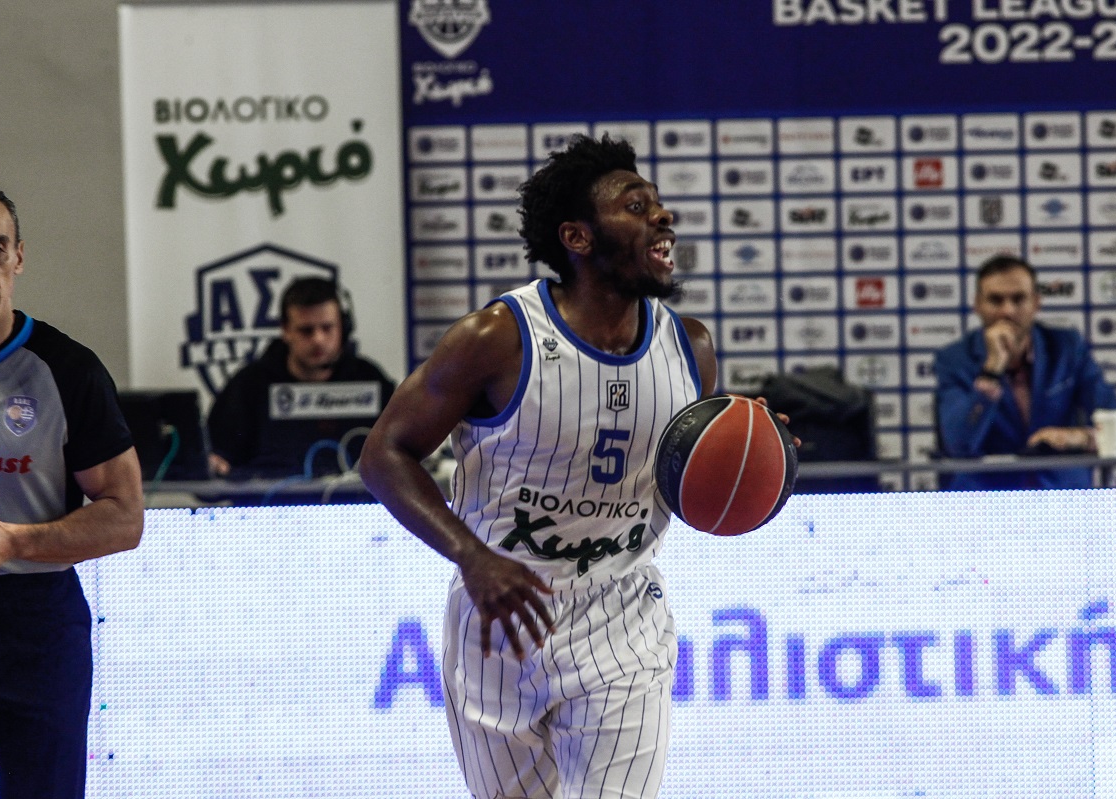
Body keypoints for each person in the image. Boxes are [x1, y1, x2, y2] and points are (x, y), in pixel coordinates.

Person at [362, 135, 789, 798]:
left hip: (621, 619)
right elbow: (384, 455)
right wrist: (472, 557)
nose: (662, 215)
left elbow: (690, 480)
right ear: (577, 237)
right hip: (499, 616)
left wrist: (754, 449)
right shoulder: (496, 338)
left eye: (657, 203)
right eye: (636, 205)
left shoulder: (691, 348)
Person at [0, 180, 144, 798]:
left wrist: (13, 541)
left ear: (19, 259)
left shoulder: (69, 369)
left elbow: (125, 517)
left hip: (38, 626)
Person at [934, 253, 1116, 490]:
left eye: (1018, 299)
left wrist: (1077, 438)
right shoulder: (955, 360)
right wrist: (991, 371)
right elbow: (958, 446)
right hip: (987, 500)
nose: (1007, 311)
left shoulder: (1067, 349)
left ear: (1036, 303)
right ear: (977, 305)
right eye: (996, 300)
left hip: (1063, 497)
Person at [207, 276, 396, 480]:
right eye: (306, 330)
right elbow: (218, 458)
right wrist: (214, 464)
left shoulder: (370, 380)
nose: (318, 339)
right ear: (286, 330)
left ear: (344, 328)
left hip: (354, 499)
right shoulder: (249, 385)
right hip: (271, 499)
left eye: (327, 328)